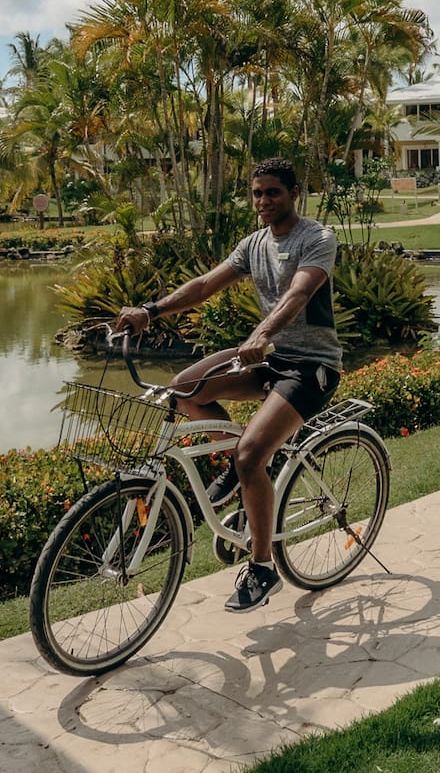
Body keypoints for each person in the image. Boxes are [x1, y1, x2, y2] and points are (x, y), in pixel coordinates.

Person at [115, 158, 340, 613]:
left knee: (252, 454)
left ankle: (262, 568)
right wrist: (150, 310)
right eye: (256, 193)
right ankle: (238, 474)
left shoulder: (316, 239)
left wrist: (262, 334)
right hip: (267, 357)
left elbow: (298, 294)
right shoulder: (253, 244)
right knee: (185, 389)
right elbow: (203, 285)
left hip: (310, 366)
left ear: (293, 192)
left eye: (272, 192)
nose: (262, 201)